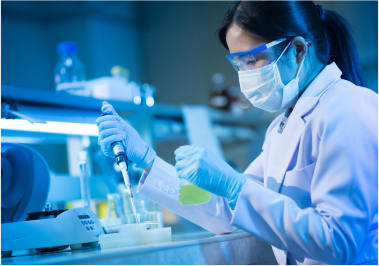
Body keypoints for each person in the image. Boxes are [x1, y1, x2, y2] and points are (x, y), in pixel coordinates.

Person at [96, 0, 379, 265]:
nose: (245, 74)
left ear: (298, 50)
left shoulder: (347, 107)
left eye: (253, 59)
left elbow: (338, 242)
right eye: (238, 62)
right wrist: (148, 160)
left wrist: (234, 185)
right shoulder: (282, 126)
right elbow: (229, 210)